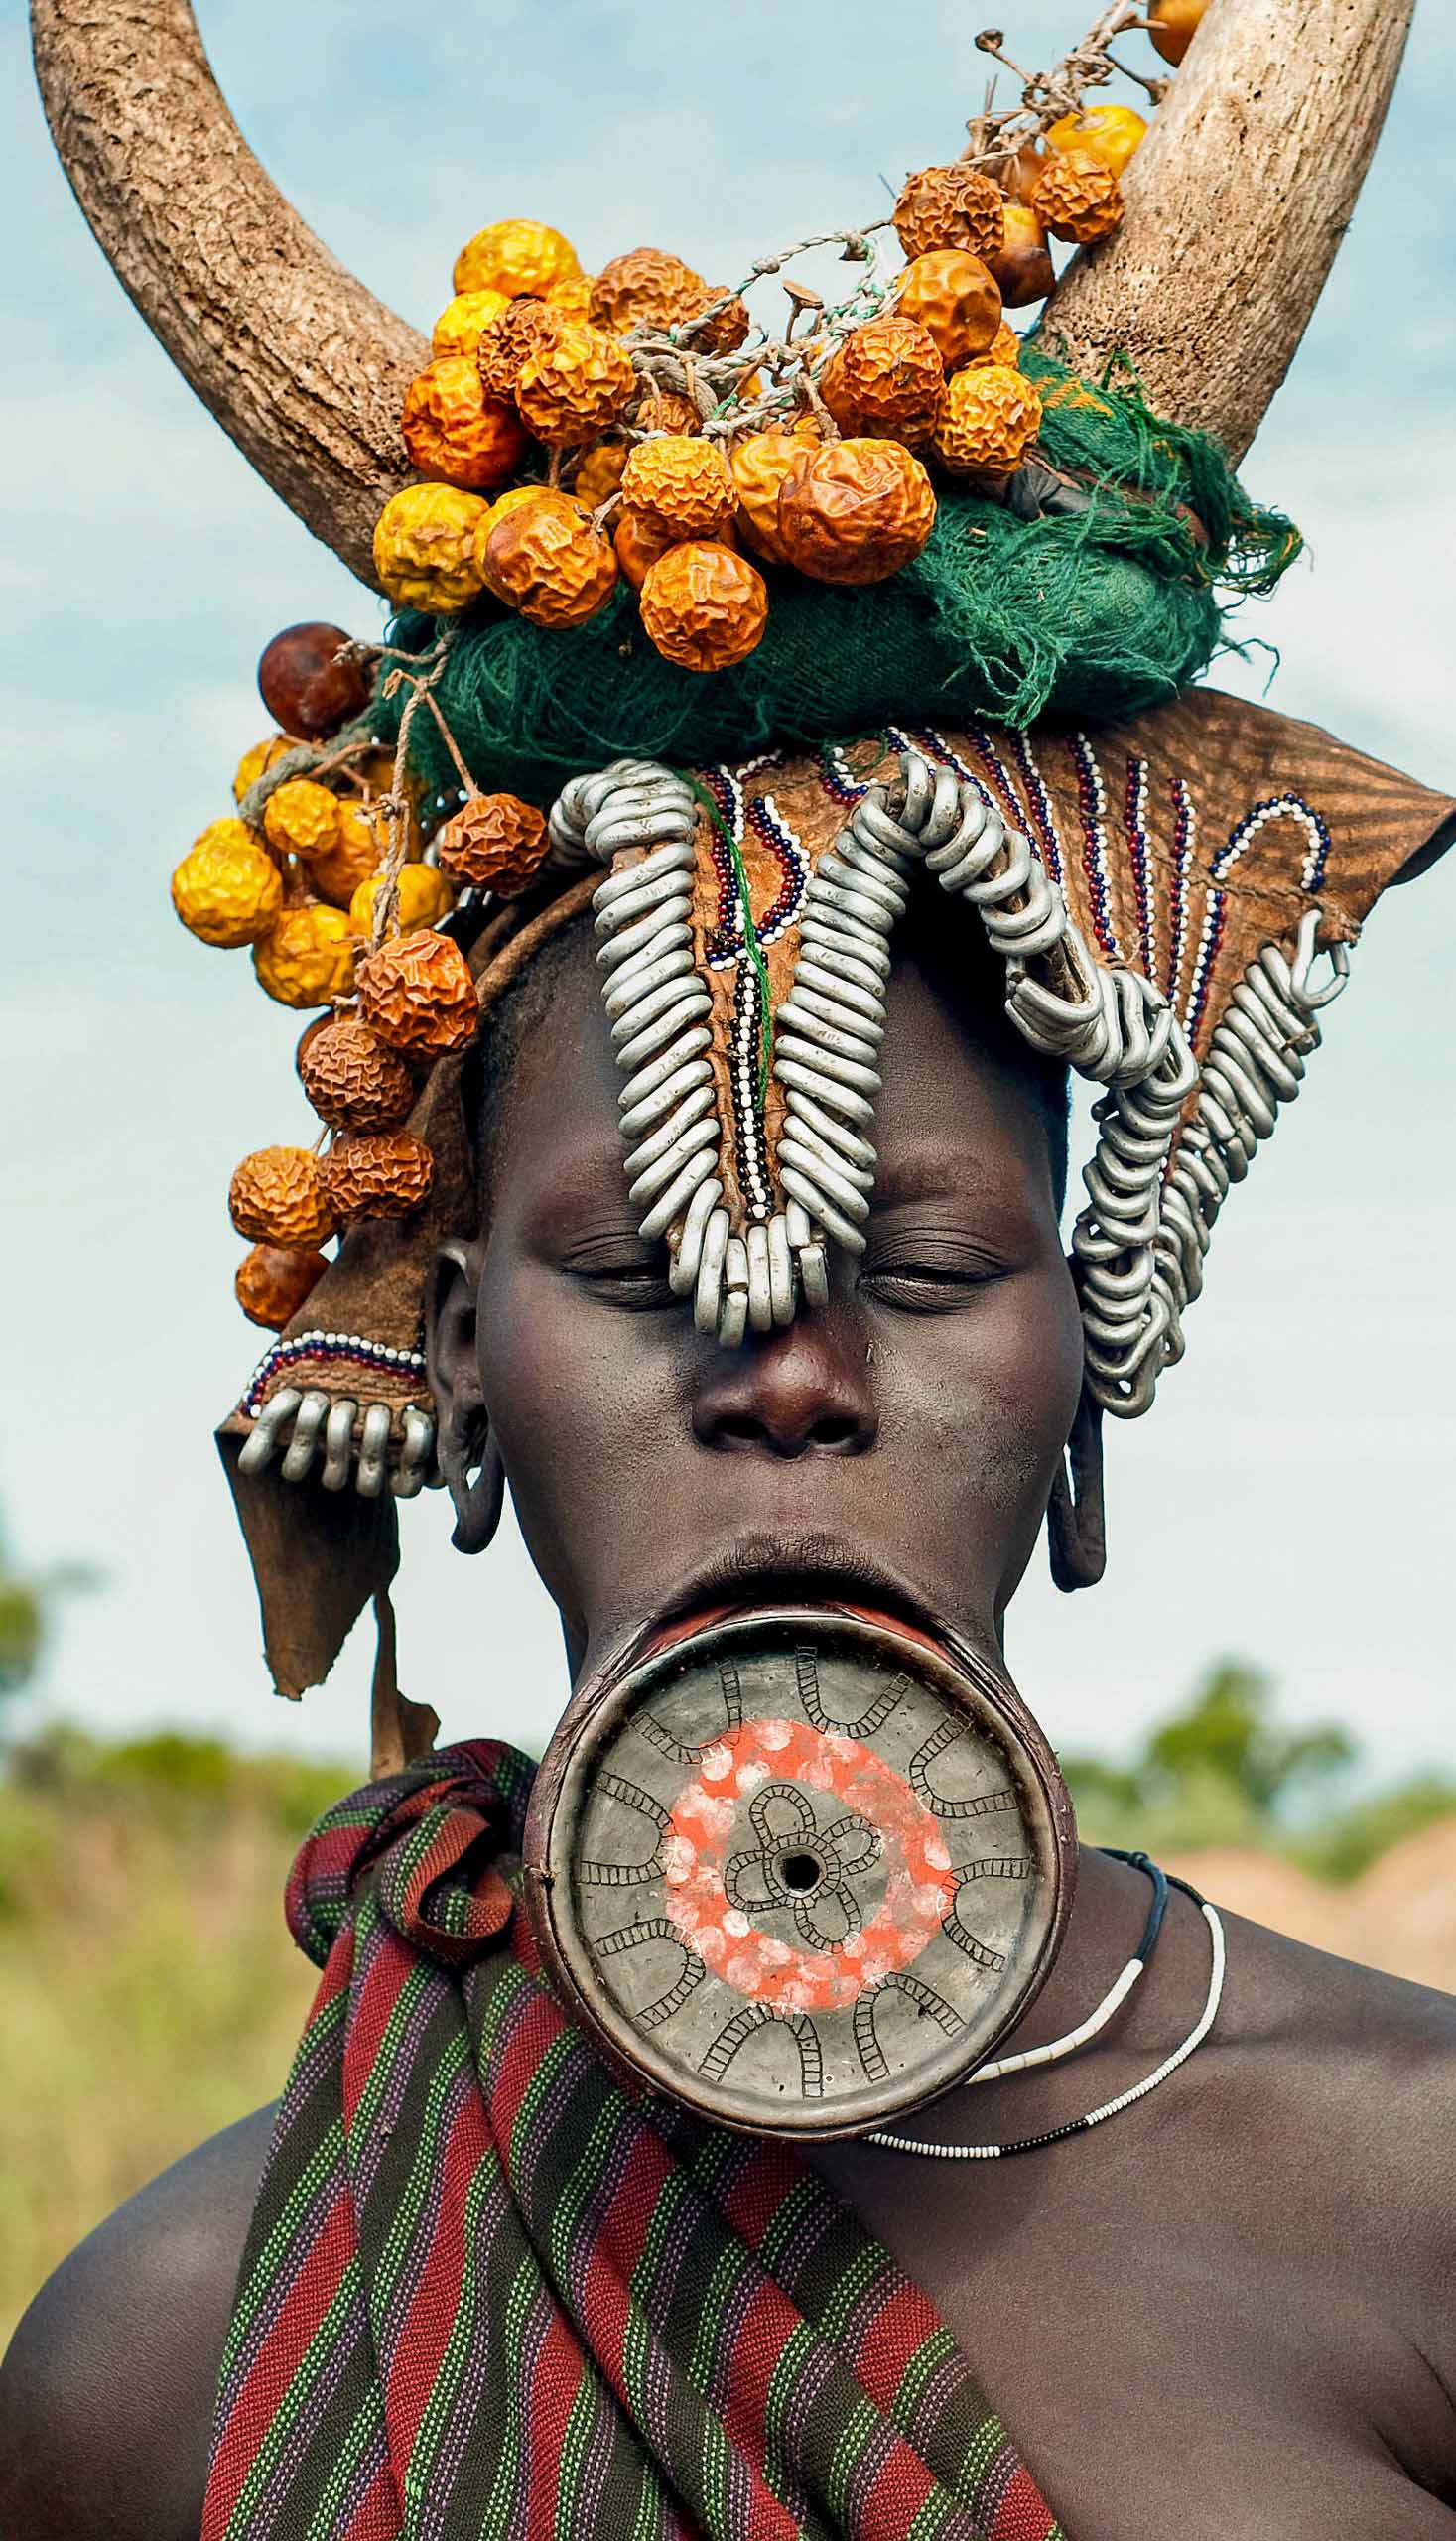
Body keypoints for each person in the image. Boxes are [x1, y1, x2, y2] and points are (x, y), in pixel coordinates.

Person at [7, 0, 1455, 2534]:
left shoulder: (1417, 2198)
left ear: (1084, 1381)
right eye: (647, 1267)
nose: (780, 1376)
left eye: (906, 1268)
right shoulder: (157, 2354)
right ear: (449, 1370)